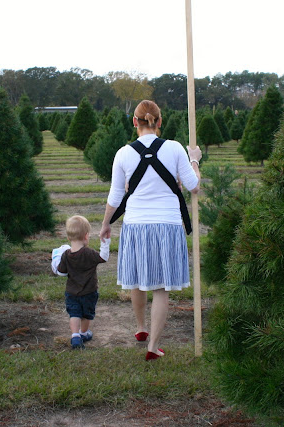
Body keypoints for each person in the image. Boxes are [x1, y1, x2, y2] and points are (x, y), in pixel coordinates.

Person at [99, 100, 201, 361]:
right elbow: (194, 186)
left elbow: (115, 195)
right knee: (160, 289)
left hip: (135, 225)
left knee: (138, 278)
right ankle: (153, 346)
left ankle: (141, 328)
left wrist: (106, 223)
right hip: (167, 225)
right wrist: (194, 159)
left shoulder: (123, 153)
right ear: (160, 121)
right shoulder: (175, 148)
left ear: (135, 122)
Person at [52, 215, 111, 349]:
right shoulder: (88, 253)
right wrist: (105, 242)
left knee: (74, 314)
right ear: (86, 236)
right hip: (89, 292)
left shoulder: (66, 254)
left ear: (68, 238)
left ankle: (75, 336)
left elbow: (60, 271)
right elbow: (103, 257)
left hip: (71, 293)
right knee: (86, 315)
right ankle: (83, 333)